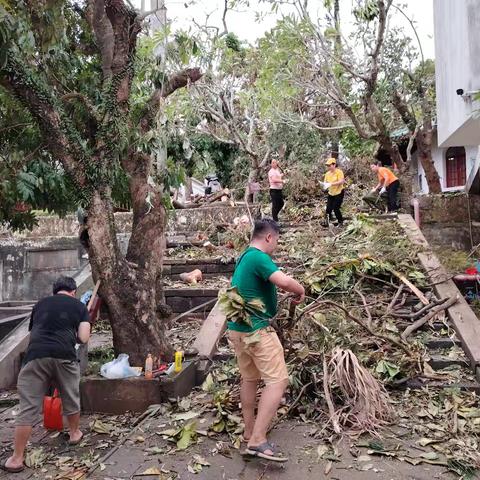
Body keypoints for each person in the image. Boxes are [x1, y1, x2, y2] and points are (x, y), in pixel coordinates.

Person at [227, 218, 305, 462]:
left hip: (238, 329)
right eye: (277, 241)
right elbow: (283, 281)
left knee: (250, 379)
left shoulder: (243, 257)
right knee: (278, 381)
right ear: (269, 237)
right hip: (256, 331)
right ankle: (258, 440)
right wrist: (300, 289)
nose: (276, 246)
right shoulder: (258, 256)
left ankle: (249, 431)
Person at [2, 276, 91, 474]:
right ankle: (75, 433)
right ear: (74, 291)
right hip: (64, 356)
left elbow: (34, 333)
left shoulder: (40, 305)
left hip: (35, 356)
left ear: (54, 291)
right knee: (70, 397)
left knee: (28, 407)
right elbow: (83, 338)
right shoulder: (79, 307)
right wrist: (73, 333)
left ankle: (16, 459)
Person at [322, 158, 345, 225]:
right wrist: (324, 186)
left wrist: (331, 184)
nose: (328, 167)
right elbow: (325, 183)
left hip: (339, 193)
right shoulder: (327, 174)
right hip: (331, 193)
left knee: (336, 208)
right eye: (328, 166)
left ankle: (340, 222)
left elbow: (341, 181)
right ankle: (327, 222)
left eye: (330, 165)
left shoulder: (339, 172)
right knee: (328, 209)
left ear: (334, 165)